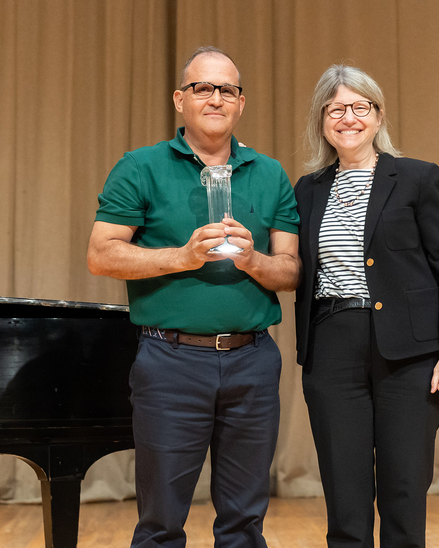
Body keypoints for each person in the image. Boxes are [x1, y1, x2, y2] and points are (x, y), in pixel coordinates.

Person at [87, 46, 301, 548]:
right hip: (170, 360)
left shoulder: (270, 174)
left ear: (241, 103)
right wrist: (182, 256)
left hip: (252, 360)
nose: (215, 98)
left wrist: (253, 261)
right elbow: (101, 255)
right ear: (180, 99)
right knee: (160, 523)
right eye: (203, 88)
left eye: (227, 89)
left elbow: (290, 270)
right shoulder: (140, 167)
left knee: (245, 522)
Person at [293, 64, 439, 548]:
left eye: (359, 107)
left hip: (408, 353)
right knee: (345, 496)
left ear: (377, 116)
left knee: (404, 489)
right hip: (331, 347)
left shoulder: (415, 178)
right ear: (322, 121)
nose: (347, 118)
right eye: (335, 109)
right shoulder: (307, 190)